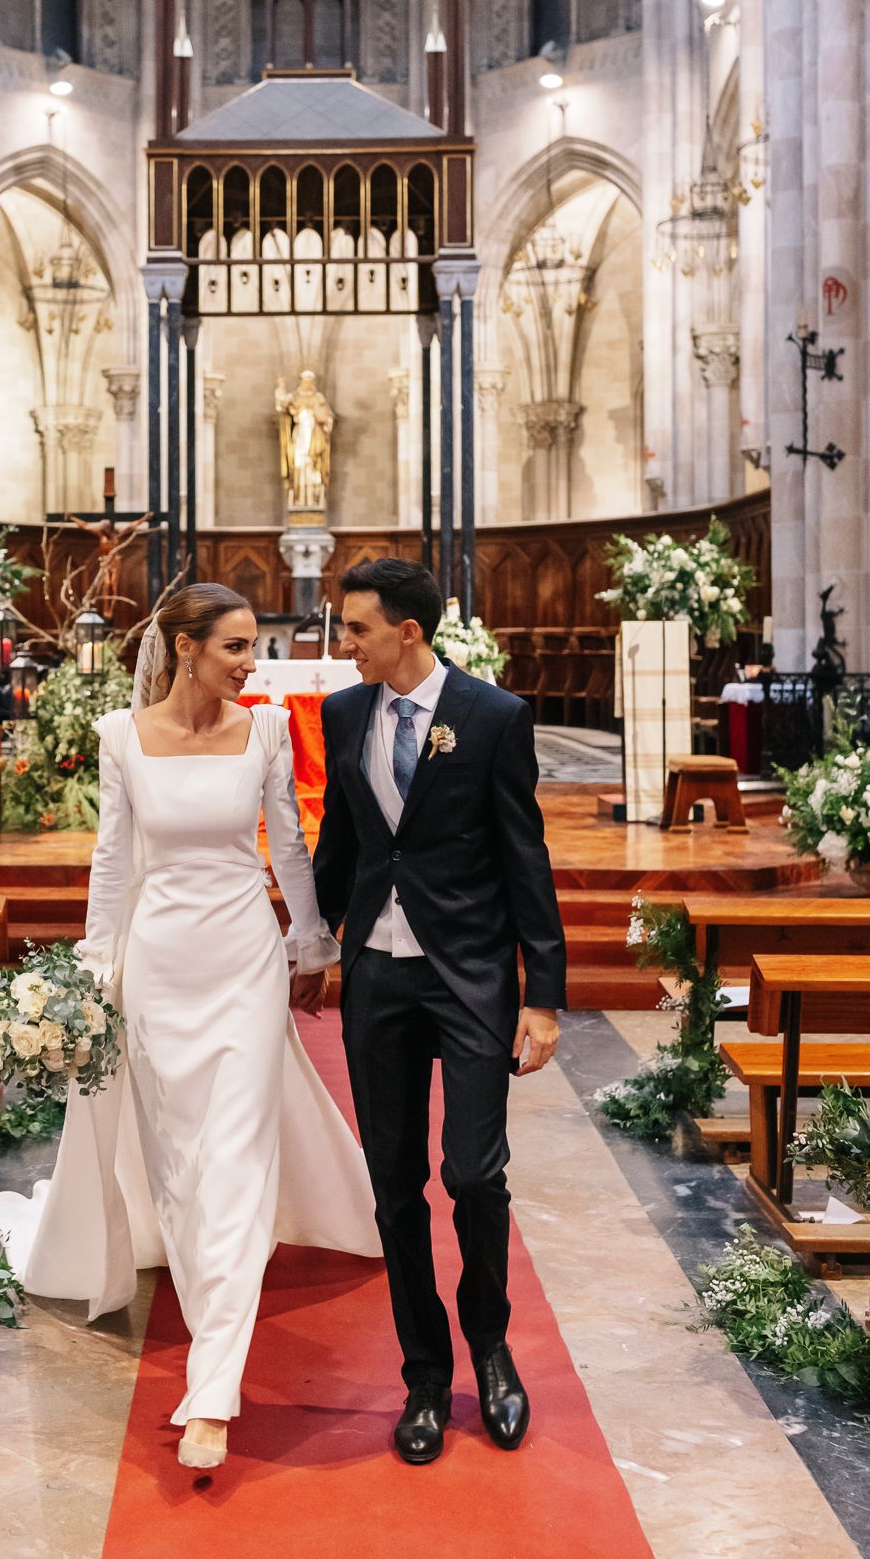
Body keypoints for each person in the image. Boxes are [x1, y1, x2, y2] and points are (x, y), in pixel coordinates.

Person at [0, 583, 378, 1471]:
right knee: (178, 1164)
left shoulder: (267, 731)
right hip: (157, 967)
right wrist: (90, 972)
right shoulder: (122, 738)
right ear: (186, 648)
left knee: (234, 1163)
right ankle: (209, 1336)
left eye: (251, 647)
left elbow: (287, 845)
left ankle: (212, 1391)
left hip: (241, 959)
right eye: (235, 647)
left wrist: (310, 945)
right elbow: (114, 862)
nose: (250, 662)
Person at [313, 558, 566, 1465]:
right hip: (376, 978)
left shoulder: (492, 718)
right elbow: (339, 846)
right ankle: (424, 1373)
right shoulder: (344, 714)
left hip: (467, 978)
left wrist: (543, 996)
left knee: (470, 1174)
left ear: (406, 633)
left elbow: (524, 859)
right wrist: (312, 944)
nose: (342, 646)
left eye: (356, 630)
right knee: (392, 1188)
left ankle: (490, 1349)